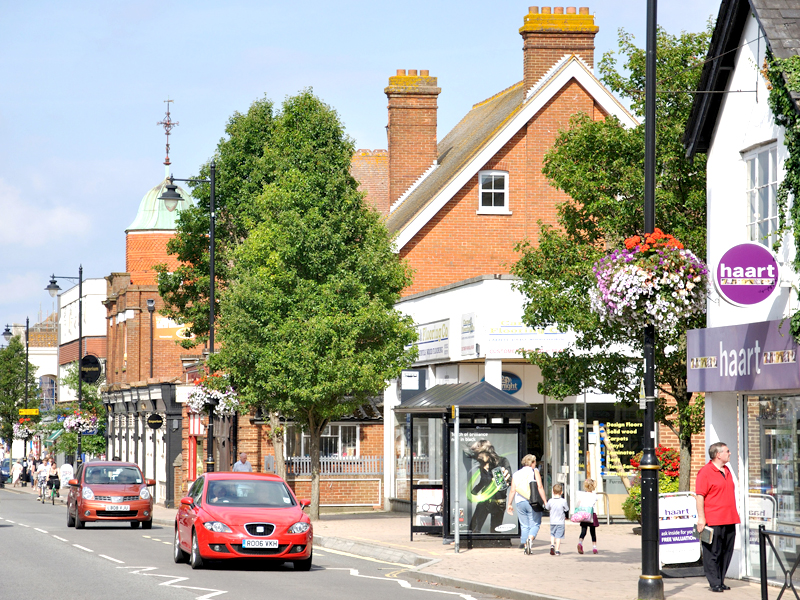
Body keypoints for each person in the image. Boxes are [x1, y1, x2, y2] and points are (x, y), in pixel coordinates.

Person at [696, 442, 740, 593]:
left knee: (726, 552)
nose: (730, 453)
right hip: (713, 519)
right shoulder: (705, 472)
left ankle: (720, 580)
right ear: (718, 454)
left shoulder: (727, 470)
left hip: (730, 518)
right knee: (712, 552)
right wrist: (701, 518)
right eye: (727, 451)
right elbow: (700, 496)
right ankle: (714, 582)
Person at [465, 440, 511, 533]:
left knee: (495, 530)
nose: (478, 458)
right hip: (485, 501)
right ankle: (471, 543)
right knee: (474, 528)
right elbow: (483, 482)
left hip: (498, 502)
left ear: (487, 452)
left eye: (479, 455)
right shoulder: (483, 465)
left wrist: (506, 478)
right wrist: (472, 493)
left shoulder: (502, 461)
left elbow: (509, 479)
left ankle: (495, 545)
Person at [506, 454, 547, 554]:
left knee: (524, 525)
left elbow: (512, 490)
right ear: (532, 463)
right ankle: (530, 539)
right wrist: (545, 501)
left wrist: (509, 504)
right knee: (535, 523)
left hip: (519, 502)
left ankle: (525, 547)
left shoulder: (516, 474)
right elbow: (540, 486)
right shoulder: (534, 471)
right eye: (535, 462)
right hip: (532, 501)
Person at [575, 478, 599, 555]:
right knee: (593, 532)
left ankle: (580, 542)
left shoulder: (582, 494)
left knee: (583, 531)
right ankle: (594, 547)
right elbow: (595, 500)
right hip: (592, 514)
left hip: (584, 514)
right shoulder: (594, 495)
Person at [545, 483, 569, 556]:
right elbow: (567, 509)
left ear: (553, 492)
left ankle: (552, 545)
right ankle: (557, 550)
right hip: (560, 522)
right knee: (558, 536)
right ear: (561, 492)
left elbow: (547, 508)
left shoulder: (550, 501)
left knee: (552, 534)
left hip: (552, 521)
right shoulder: (563, 501)